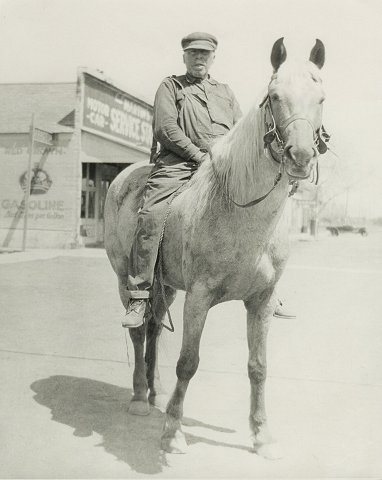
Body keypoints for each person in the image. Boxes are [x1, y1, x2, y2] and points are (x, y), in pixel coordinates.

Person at [123, 32, 295, 328]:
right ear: (184, 57)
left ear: (213, 58)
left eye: (204, 54)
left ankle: (267, 285)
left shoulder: (225, 92)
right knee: (151, 213)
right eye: (193, 53)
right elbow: (165, 129)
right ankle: (140, 294)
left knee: (260, 210)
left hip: (220, 167)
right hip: (178, 165)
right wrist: (198, 155)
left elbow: (244, 130)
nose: (199, 58)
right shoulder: (171, 86)